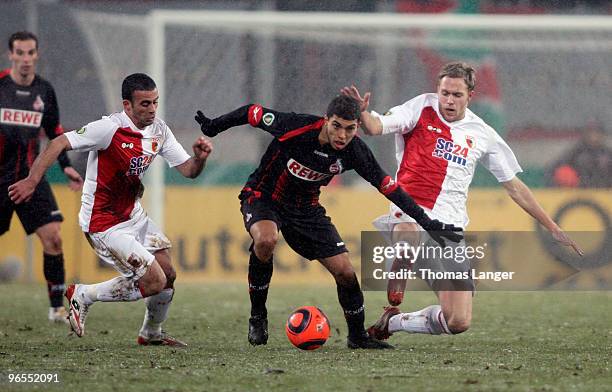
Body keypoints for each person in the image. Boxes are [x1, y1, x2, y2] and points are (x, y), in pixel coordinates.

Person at [194, 95, 462, 349]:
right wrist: (214, 126)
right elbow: (252, 112)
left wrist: (427, 221)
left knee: (345, 272)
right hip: (265, 196)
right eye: (337, 126)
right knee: (266, 240)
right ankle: (258, 315)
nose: (342, 135)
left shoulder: (355, 151)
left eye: (350, 129)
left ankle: (357, 337)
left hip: (307, 210)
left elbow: (390, 189)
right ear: (325, 120)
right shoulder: (295, 126)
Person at [341, 61, 583, 341]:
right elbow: (375, 126)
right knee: (408, 237)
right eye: (445, 93)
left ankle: (392, 323)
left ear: (470, 96)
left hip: (449, 230)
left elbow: (515, 187)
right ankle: (402, 259)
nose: (449, 100)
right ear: (437, 90)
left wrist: (552, 226)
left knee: (458, 320)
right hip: (411, 210)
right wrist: (362, 113)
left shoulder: (482, 134)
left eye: (457, 95)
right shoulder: (420, 108)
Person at [9, 73, 213, 346]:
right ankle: (83, 294)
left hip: (133, 215)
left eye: (155, 102)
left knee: (169, 274)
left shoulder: (159, 130)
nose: (152, 109)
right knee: (154, 281)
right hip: (102, 222)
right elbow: (58, 142)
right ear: (127, 105)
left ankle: (150, 333)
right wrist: (32, 181)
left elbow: (189, 171)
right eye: (145, 104)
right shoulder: (108, 128)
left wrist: (199, 159)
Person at [1, 31, 83, 323]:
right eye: (19, 53)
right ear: (10, 54)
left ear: (37, 55)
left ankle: (56, 309)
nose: (25, 59)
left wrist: (66, 166)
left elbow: (55, 133)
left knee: (53, 238)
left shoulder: (45, 91)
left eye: (30, 53)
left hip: (29, 177)